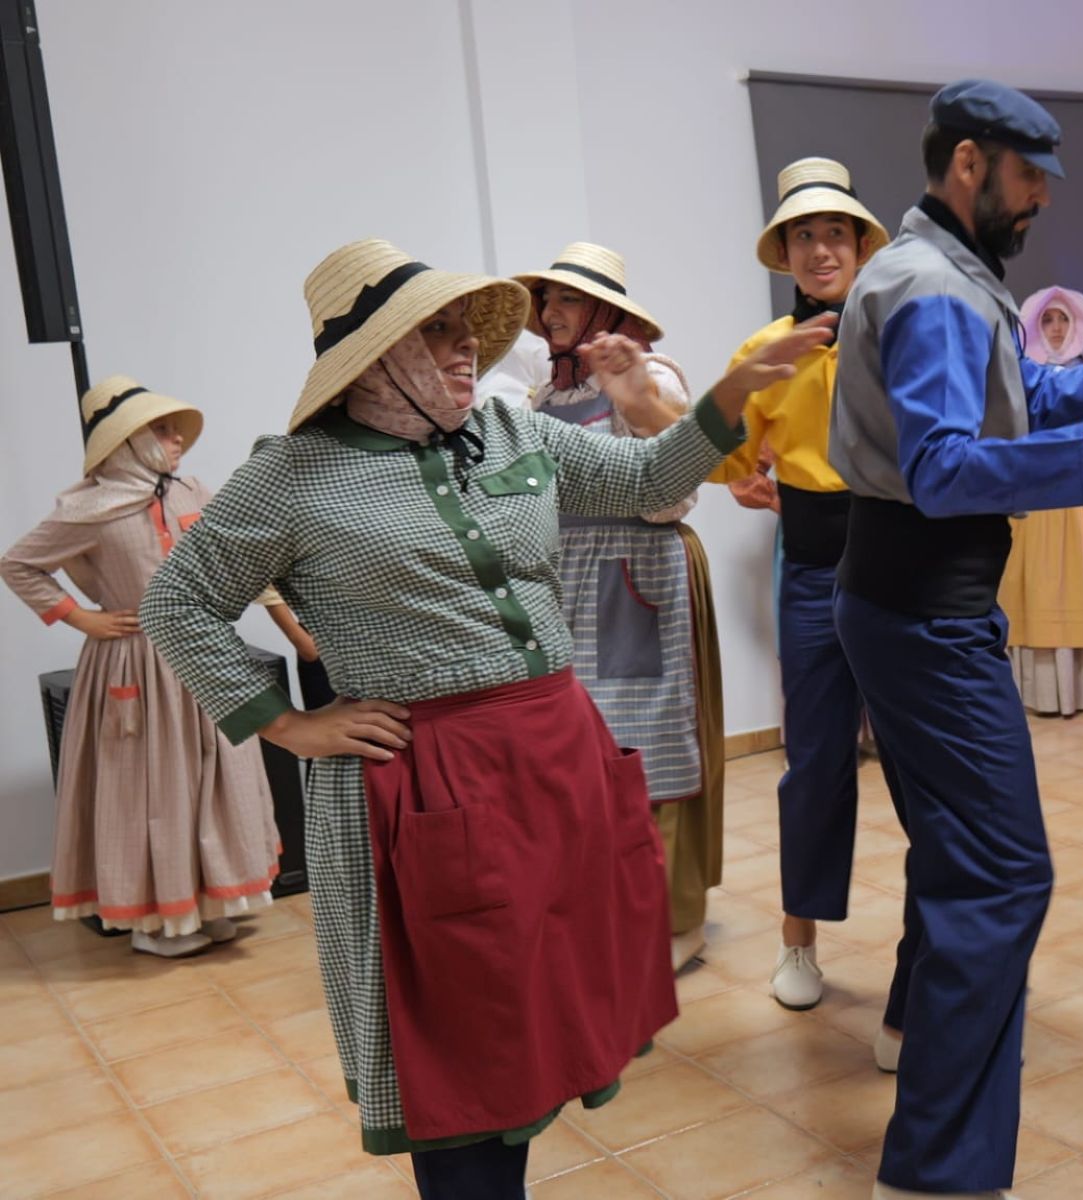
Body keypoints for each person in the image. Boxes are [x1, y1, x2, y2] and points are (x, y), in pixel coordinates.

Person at [139, 237, 830, 1196]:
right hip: (427, 781)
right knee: (463, 1048)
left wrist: (734, 391)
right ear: (370, 360)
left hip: (552, 755)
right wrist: (287, 724)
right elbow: (178, 601)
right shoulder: (292, 474)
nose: (465, 347)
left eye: (466, 328)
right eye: (435, 333)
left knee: (544, 1010)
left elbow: (641, 481)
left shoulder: (511, 432)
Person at [828, 81, 1083, 1199]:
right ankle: (938, 1173)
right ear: (969, 163)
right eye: (1029, 175)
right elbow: (942, 471)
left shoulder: (943, 272)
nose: (1044, 197)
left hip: (904, 599)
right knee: (1004, 877)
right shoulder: (933, 288)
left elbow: (1019, 396)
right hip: (924, 609)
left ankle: (916, 1056)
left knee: (961, 861)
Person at [705, 155, 904, 1020]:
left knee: (919, 762)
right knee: (815, 762)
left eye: (835, 233)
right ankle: (798, 941)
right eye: (803, 236)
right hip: (816, 568)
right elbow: (722, 459)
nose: (820, 249)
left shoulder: (901, 334)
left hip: (903, 566)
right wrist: (740, 473)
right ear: (783, 254)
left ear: (859, 245)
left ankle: (943, 943)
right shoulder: (764, 353)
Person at [3, 377, 284, 958]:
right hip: (138, 663)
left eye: (176, 427)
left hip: (204, 655)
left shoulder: (191, 492)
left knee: (216, 776)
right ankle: (156, 922)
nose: (176, 438)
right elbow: (19, 564)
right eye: (161, 429)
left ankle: (211, 902)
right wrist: (83, 618)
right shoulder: (87, 508)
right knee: (152, 787)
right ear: (126, 439)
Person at [517, 242, 724, 973]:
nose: (551, 312)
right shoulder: (545, 398)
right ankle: (606, 910)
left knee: (649, 750)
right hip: (568, 585)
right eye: (546, 299)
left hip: (638, 578)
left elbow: (676, 489)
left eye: (566, 299)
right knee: (582, 755)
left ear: (605, 310)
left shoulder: (652, 376)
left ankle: (673, 919)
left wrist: (633, 399)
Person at [998, 284, 1083, 715]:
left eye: (1062, 319)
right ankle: (1040, 690)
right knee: (1039, 584)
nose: (1056, 328)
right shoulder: (1023, 377)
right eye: (1047, 319)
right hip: (1039, 496)